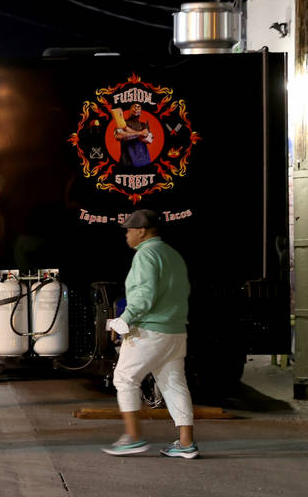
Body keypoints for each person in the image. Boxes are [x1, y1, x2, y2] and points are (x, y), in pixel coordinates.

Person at [101, 209, 198, 458]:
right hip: (175, 331)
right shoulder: (173, 255)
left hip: (150, 330)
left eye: (129, 230)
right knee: (174, 383)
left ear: (141, 230)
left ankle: (133, 437)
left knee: (124, 378)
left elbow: (144, 294)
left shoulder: (146, 255)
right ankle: (186, 442)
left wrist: (123, 320)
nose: (127, 236)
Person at [114, 103, 153, 168]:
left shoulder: (144, 125)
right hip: (127, 162)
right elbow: (119, 136)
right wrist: (140, 133)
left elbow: (149, 140)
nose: (136, 108)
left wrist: (127, 130)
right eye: (134, 106)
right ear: (129, 110)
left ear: (140, 112)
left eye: (139, 107)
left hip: (145, 161)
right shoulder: (122, 123)